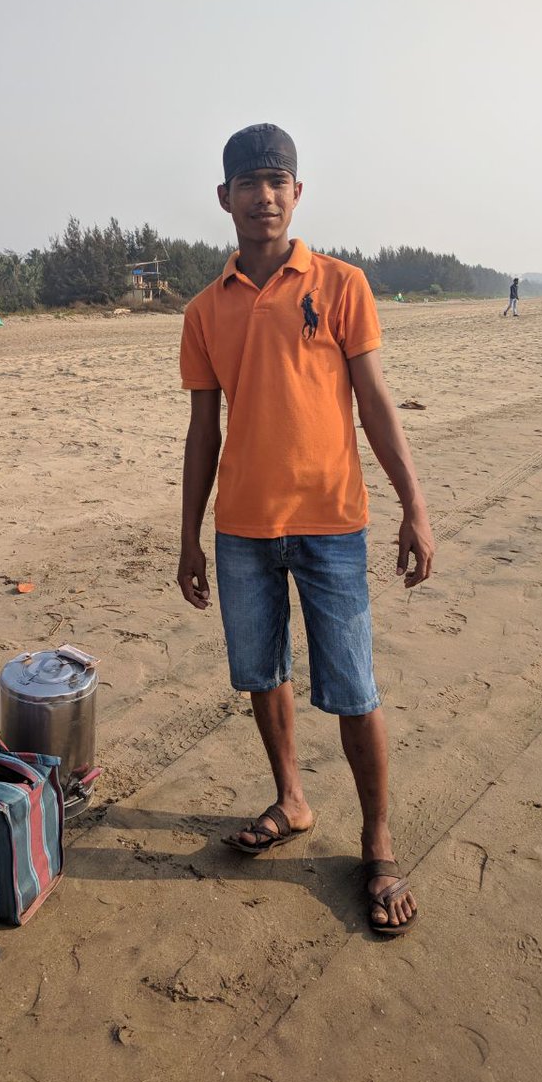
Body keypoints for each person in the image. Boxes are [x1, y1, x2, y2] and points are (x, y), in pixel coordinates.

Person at [178, 124, 434, 935]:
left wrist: (414, 507)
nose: (264, 195)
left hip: (332, 523)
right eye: (249, 182)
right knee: (261, 674)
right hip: (243, 530)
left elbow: (376, 405)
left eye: (278, 180)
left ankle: (378, 839)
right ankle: (291, 799)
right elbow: (202, 433)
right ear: (224, 198)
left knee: (354, 687)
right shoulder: (203, 310)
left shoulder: (341, 284)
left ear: (297, 192)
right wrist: (188, 536)